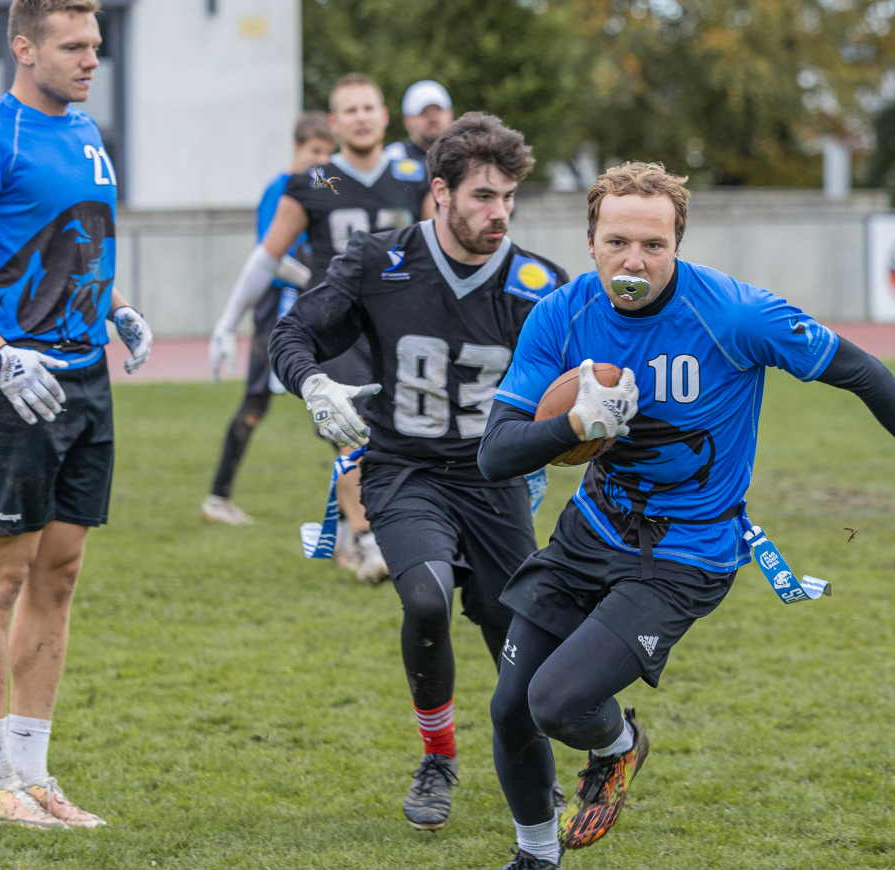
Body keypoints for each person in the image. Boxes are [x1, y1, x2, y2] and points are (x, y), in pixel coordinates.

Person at [475, 162, 895, 869]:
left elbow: (860, 369)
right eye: (618, 241)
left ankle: (619, 745)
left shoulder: (734, 315)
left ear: (678, 244)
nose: (634, 261)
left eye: (654, 245)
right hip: (589, 532)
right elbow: (494, 454)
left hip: (686, 554)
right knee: (509, 706)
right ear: (589, 240)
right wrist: (574, 426)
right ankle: (536, 857)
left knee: (557, 703)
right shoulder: (560, 316)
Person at [270, 112, 567, 832]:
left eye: (507, 197)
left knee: (515, 634)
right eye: (482, 197)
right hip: (405, 471)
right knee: (427, 601)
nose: (499, 213)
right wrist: (312, 383)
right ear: (440, 192)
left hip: (494, 479)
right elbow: (294, 331)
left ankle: (543, 774)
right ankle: (438, 758)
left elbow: (587, 377)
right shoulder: (381, 261)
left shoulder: (541, 284)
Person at [0, 0, 154, 829]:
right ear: (24, 48)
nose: (92, 58)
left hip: (87, 382)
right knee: (3, 578)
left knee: (59, 574)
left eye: (95, 44)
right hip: (17, 382)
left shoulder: (87, 132)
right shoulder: (1, 133)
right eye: (73, 45)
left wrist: (120, 308)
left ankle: (33, 771)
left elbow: (75, 243)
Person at [212, 72, 434, 584]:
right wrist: (228, 320)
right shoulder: (319, 179)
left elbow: (436, 252)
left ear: (383, 116)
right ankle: (368, 536)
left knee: (394, 436)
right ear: (335, 123)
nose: (360, 117)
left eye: (367, 108)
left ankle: (358, 532)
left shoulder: (412, 176)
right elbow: (267, 258)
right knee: (351, 430)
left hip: (398, 327)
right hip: (335, 326)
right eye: (349, 110)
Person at [200, 113, 334, 527]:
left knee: (335, 404)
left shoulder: (324, 188)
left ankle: (358, 513)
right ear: (297, 148)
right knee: (255, 403)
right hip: (276, 311)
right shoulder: (279, 190)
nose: (321, 161)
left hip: (316, 308)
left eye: (328, 154)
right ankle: (218, 498)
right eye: (314, 151)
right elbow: (270, 255)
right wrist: (315, 277)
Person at [384, 79, 453, 169]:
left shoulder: (464, 157)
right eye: (424, 112)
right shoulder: (390, 159)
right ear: (407, 120)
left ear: (450, 114)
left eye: (438, 110)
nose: (432, 117)